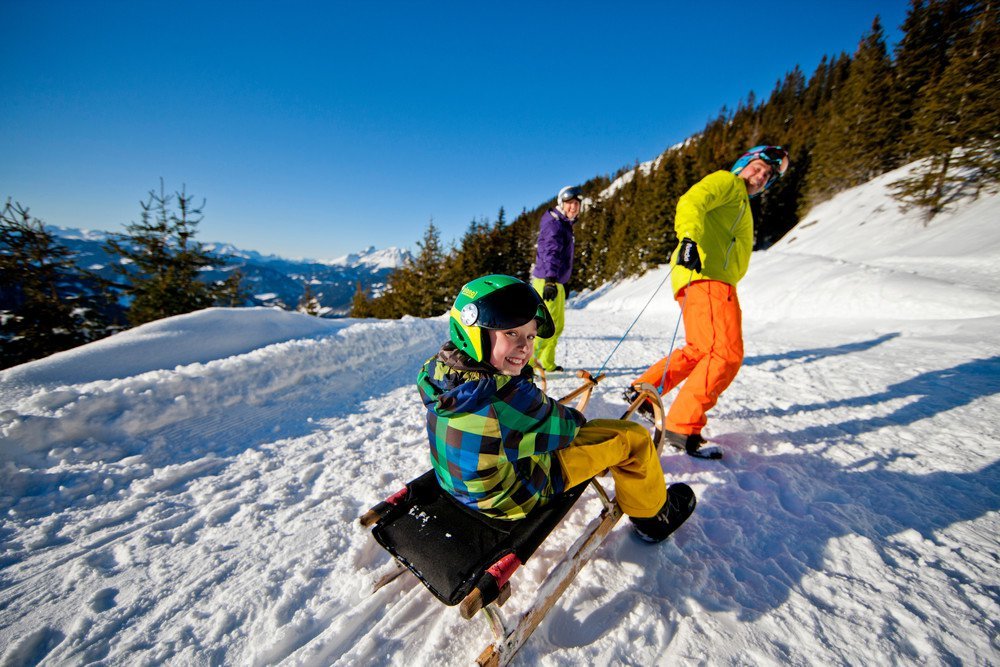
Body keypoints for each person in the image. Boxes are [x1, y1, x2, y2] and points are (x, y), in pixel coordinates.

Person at [417, 274, 695, 543]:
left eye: (529, 336)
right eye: (511, 332)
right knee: (631, 438)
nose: (523, 348)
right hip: (511, 499)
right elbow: (567, 429)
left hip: (461, 485)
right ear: (471, 332)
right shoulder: (507, 396)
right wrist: (551, 408)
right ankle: (654, 518)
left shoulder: (439, 371)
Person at [625, 146, 790, 459]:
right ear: (743, 165)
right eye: (757, 169)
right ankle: (682, 426)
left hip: (706, 279)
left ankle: (643, 393)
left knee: (700, 349)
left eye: (767, 176)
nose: (760, 177)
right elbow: (692, 201)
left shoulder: (740, 200)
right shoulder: (728, 184)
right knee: (726, 353)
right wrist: (689, 238)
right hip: (709, 278)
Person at [530, 185, 582, 372]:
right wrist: (551, 280)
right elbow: (549, 252)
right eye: (570, 203)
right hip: (547, 280)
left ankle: (545, 362)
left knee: (557, 326)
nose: (573, 207)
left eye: (576, 204)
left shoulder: (564, 224)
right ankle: (526, 365)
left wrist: (561, 282)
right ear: (562, 203)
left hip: (555, 281)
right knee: (544, 327)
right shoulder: (555, 224)